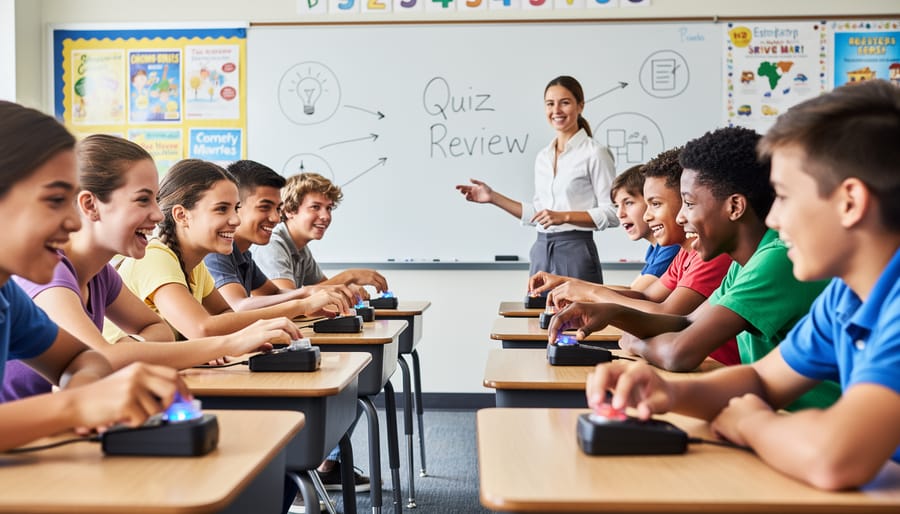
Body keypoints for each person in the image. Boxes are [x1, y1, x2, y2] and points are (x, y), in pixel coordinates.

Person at [582, 80, 900, 490]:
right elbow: (762, 380)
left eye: (784, 196)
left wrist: (752, 423)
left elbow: (834, 458)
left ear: (850, 202)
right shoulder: (846, 295)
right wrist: (668, 393)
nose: (772, 219)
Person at [553, 126, 840, 410]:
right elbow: (687, 322)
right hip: (777, 418)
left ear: (735, 207)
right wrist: (613, 313)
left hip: (810, 426)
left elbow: (680, 352)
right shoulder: (745, 263)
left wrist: (635, 343)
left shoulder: (776, 259)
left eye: (689, 203)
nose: (680, 217)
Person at [3, 135, 301, 401]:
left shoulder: (101, 274)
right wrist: (229, 343)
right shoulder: (52, 272)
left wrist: (127, 351)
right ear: (91, 205)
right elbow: (101, 356)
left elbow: (155, 331)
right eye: (143, 200)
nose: (159, 215)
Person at [0, 100, 189, 451]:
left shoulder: (6, 295)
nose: (73, 223)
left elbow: (81, 359)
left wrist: (80, 391)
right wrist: (73, 406)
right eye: (55, 200)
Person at [204, 160, 370, 496]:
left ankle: (314, 469)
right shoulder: (217, 252)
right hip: (209, 380)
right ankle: (315, 470)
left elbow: (275, 296)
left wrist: (309, 296)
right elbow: (238, 308)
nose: (275, 217)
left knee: (339, 386)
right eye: (266, 207)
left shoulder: (244, 255)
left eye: (277, 208)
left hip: (225, 362)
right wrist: (305, 299)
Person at [110, 159, 350, 342]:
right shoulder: (156, 256)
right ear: (182, 215)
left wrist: (250, 334)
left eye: (235, 208)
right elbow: (202, 328)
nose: (235, 220)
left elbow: (226, 314)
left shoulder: (195, 267)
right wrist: (300, 305)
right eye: (222, 209)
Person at [455, 75, 618, 284]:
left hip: (576, 252)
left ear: (580, 106)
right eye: (550, 104)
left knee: (577, 317)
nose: (556, 110)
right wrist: (492, 197)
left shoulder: (595, 153)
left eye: (565, 103)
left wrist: (564, 216)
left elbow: (613, 213)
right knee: (537, 316)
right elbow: (539, 214)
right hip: (541, 251)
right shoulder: (543, 156)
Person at [252, 172, 389, 294]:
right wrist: (349, 276)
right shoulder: (272, 245)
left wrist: (346, 288)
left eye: (328, 208)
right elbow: (289, 300)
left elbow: (321, 289)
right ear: (289, 210)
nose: (326, 216)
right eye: (315, 207)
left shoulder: (301, 249)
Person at [609, 164, 680, 291]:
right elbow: (632, 289)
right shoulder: (654, 248)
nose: (619, 214)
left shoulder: (672, 245)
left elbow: (637, 293)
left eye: (628, 203)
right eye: (616, 206)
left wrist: (578, 288)